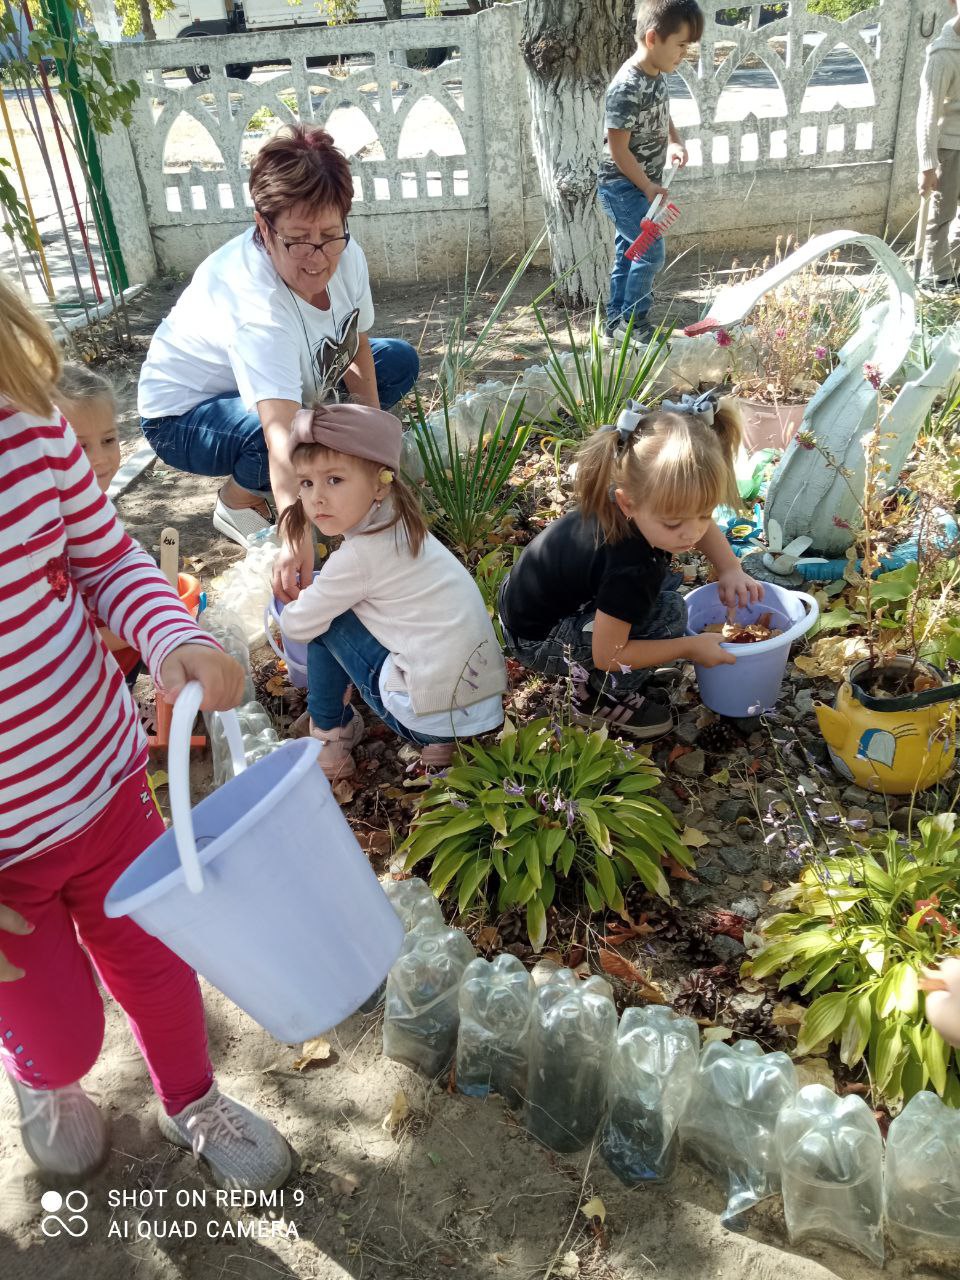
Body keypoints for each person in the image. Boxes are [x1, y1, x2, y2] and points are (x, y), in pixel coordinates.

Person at [0, 274, 291, 1190]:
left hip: (106, 786)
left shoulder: (30, 426)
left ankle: (192, 1098)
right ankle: (40, 1079)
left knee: (160, 967)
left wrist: (174, 636)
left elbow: (103, 557)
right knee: (61, 1034)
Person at [137, 124, 420, 600]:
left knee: (399, 361)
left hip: (286, 383)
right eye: (298, 240)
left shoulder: (346, 257)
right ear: (264, 228)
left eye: (330, 235)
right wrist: (296, 536)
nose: (317, 258)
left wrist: (377, 458)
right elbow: (279, 435)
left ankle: (321, 460)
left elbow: (357, 348)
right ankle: (238, 501)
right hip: (185, 417)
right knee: (278, 435)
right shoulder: (257, 306)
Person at [497, 392, 763, 741]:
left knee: (660, 588)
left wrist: (730, 568)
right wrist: (688, 647)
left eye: (705, 513)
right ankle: (600, 696)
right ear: (628, 503)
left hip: (526, 606)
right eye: (673, 524)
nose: (693, 532)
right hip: (538, 640)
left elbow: (691, 521)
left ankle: (620, 668)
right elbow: (609, 655)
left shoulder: (630, 503)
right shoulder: (630, 565)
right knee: (670, 614)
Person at [277, 403, 506, 783]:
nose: (317, 498)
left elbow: (298, 625)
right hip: (478, 701)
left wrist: (292, 606)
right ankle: (440, 745)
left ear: (381, 483)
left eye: (334, 480)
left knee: (323, 622)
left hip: (432, 714)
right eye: (306, 483)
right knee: (334, 611)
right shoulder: (401, 521)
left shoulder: (359, 556)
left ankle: (329, 736)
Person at [596, 0, 703, 344]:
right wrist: (646, 186)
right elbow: (617, 149)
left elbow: (661, 112)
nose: (684, 54)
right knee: (649, 247)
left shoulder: (656, 74)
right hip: (621, 186)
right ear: (655, 38)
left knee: (628, 255)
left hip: (642, 184)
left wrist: (674, 141)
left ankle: (615, 322)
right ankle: (633, 322)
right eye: (681, 45)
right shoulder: (627, 86)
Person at [56, 362, 142, 688]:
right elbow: (75, 640)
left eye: (108, 440)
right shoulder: (54, 533)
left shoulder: (95, 504)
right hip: (88, 669)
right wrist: (139, 630)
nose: (101, 459)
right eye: (79, 446)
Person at [917, 0, 960, 290]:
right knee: (941, 217)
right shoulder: (943, 55)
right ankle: (935, 278)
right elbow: (927, 114)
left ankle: (953, 273)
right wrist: (927, 164)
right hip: (950, 148)